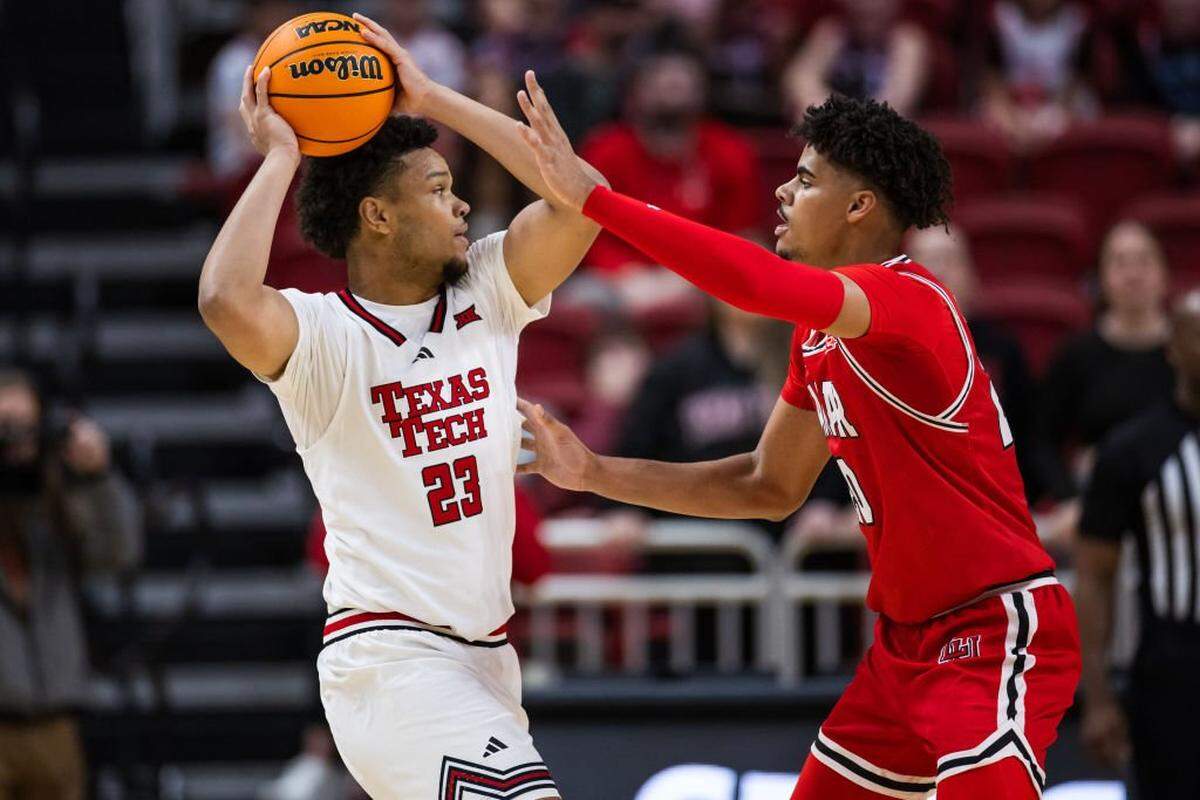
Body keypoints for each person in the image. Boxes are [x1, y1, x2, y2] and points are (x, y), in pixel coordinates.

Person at [513, 82, 1080, 798]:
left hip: (991, 632)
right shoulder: (819, 336)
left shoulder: (912, 301)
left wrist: (601, 204)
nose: (782, 190)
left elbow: (755, 286)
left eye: (806, 178)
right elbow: (765, 484)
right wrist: (595, 471)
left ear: (858, 206)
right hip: (904, 650)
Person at [197, 11, 606, 798]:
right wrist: (284, 155)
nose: (462, 208)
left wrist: (432, 98)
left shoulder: (489, 290)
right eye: (440, 189)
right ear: (376, 216)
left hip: (486, 660)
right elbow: (222, 298)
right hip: (389, 661)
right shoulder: (321, 338)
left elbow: (584, 201)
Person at [1076, 289, 1200, 800]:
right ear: (1172, 346)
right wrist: (1099, 696)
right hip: (1173, 673)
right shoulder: (1132, 449)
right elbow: (1094, 576)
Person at [0, 369, 142, 799]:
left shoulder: (59, 501)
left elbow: (118, 555)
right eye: (3, 427)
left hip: (56, 723)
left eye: (25, 426)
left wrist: (96, 476)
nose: (14, 442)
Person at [578, 49, 763, 276]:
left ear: (702, 98)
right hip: (621, 281)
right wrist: (624, 272)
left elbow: (742, 232)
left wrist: (702, 277)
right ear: (633, 98)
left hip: (707, 279)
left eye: (682, 88)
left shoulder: (730, 151)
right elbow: (586, 234)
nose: (672, 90)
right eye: (659, 87)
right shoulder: (605, 152)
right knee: (587, 299)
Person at [1039, 221, 1174, 518]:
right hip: (1097, 505)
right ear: (1100, 277)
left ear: (1164, 274)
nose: (1133, 274)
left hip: (1179, 504)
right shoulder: (1077, 354)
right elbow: (1042, 440)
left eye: (1144, 261)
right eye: (1119, 262)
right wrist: (1068, 499)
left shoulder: (1189, 352)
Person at [783, 0, 930, 119]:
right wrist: (831, 112)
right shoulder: (832, 32)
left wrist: (855, 123)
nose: (868, 5)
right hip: (832, 130)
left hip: (883, 138)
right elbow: (799, 81)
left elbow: (899, 101)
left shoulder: (908, 40)